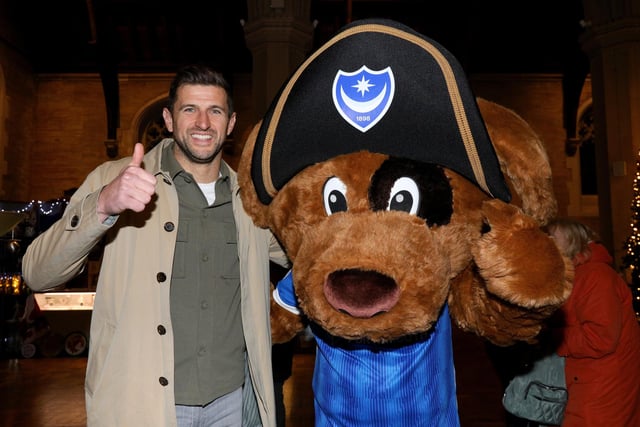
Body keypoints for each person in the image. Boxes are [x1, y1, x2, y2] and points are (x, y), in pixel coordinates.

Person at [22, 64, 289, 427]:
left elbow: (308, 253)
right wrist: (102, 206)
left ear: (231, 124)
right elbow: (38, 273)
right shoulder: (113, 179)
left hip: (232, 402)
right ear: (168, 118)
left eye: (215, 111)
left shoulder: (252, 200)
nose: (203, 123)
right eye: (189, 109)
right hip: (143, 403)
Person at [545, 218, 640, 427]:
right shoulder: (578, 274)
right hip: (591, 381)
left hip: (604, 389)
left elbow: (600, 338)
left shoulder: (595, 276)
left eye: (553, 236)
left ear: (575, 241)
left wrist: (552, 339)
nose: (546, 242)